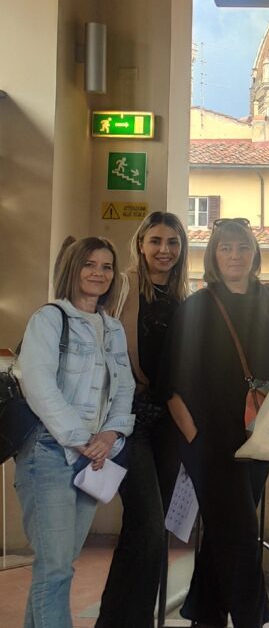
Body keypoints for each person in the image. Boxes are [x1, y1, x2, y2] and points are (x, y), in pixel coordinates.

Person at [166, 218, 269, 628]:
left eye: (242, 247)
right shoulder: (198, 305)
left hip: (258, 439)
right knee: (239, 536)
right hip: (210, 441)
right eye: (225, 248)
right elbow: (173, 380)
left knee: (224, 532)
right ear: (213, 256)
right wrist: (194, 437)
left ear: (255, 253)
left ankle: (206, 615)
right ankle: (251, 621)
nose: (235, 255)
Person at [16, 236, 135, 627]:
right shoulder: (49, 319)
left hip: (93, 459)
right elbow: (38, 385)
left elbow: (125, 389)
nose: (98, 273)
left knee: (60, 565)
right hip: (49, 453)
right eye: (89, 265)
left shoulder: (113, 328)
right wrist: (83, 438)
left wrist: (111, 436)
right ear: (73, 268)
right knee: (54, 568)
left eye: (105, 266)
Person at [97, 212, 189, 627]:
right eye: (155, 241)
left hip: (167, 422)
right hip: (128, 415)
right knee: (148, 523)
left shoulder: (184, 296)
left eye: (172, 242)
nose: (164, 250)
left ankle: (127, 619)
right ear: (140, 244)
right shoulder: (125, 285)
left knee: (149, 530)